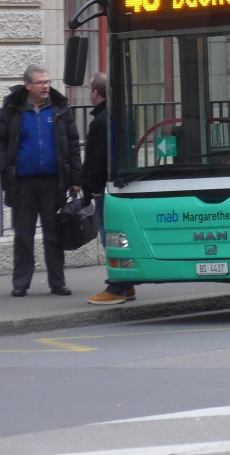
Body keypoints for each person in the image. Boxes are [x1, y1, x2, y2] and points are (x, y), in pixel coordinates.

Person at [0, 64, 82, 297]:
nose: (45, 86)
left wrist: (75, 178)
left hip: (53, 182)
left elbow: (72, 144)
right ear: (28, 85)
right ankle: (21, 283)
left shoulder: (59, 108)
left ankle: (57, 282)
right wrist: (4, 168)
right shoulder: (13, 109)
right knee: (23, 235)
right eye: (40, 82)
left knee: (54, 234)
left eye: (47, 82)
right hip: (22, 184)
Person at [82, 72, 136, 305]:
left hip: (103, 187)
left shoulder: (100, 121)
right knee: (119, 237)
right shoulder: (121, 115)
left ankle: (117, 286)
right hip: (118, 184)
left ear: (96, 93)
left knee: (109, 238)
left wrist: (90, 189)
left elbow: (95, 160)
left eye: (89, 90)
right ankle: (127, 283)